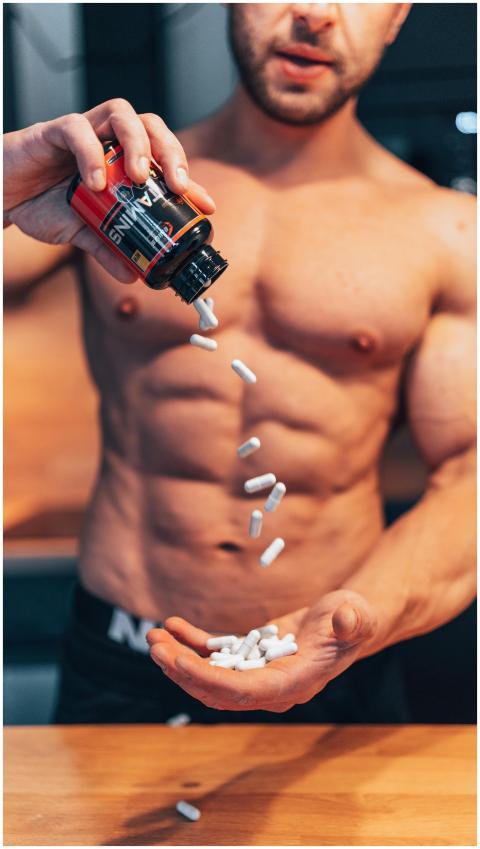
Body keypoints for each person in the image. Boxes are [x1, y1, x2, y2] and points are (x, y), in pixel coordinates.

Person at [4, 3, 475, 723]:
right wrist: (2, 183)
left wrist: (359, 616)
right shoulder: (112, 186)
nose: (315, 12)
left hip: (335, 660)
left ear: (398, 14)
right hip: (122, 651)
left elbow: (470, 473)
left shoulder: (449, 229)